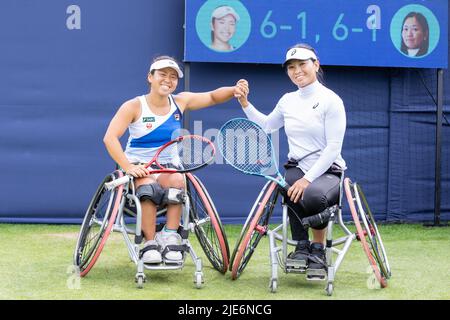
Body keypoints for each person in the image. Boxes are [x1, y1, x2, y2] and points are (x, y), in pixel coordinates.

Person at [103, 55, 242, 264]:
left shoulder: (180, 101)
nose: (168, 80)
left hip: (168, 168)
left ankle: (169, 236)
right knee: (148, 188)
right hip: (141, 168)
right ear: (150, 77)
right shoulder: (133, 106)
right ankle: (150, 243)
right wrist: (129, 167)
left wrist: (233, 90)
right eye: (162, 74)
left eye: (173, 77)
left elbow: (213, 97)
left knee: (178, 181)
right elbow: (110, 138)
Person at [235, 44, 346, 276]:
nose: (297, 71)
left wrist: (307, 179)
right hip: (297, 166)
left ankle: (318, 250)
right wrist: (245, 103)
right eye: (291, 67)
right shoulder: (287, 100)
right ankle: (301, 247)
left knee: (313, 195)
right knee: (288, 187)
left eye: (302, 65)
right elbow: (267, 125)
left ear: (315, 65)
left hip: (328, 170)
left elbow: (333, 147)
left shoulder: (331, 100)